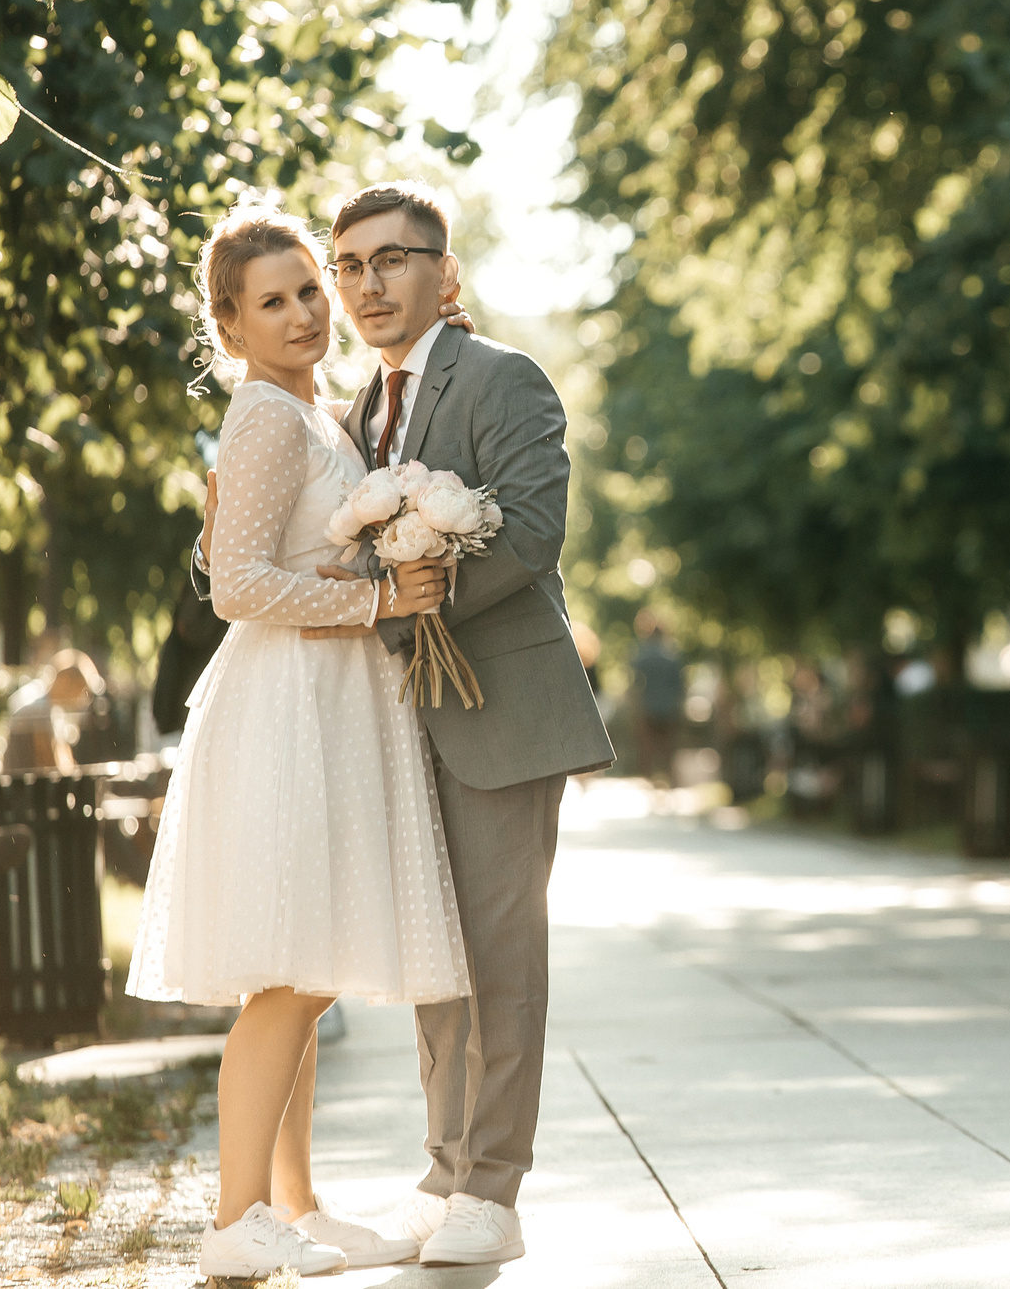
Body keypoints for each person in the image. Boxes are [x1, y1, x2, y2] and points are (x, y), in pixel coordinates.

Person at [126, 199, 468, 1281]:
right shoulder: (267, 416)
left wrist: (371, 568)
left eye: (310, 289)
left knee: (305, 961)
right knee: (289, 970)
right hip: (285, 706)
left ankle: (296, 1203)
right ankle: (236, 1219)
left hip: (327, 699)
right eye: (271, 303)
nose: (304, 314)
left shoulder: (317, 413)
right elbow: (235, 588)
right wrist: (375, 602)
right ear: (229, 327)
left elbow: (287, 557)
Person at [308, 181, 613, 1269]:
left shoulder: (502, 378)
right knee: (434, 958)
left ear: (446, 273)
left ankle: (496, 1185)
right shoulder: (353, 410)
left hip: (505, 712)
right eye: (350, 266)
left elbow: (533, 530)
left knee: (500, 953)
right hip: (400, 720)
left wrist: (416, 589)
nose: (367, 284)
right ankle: (443, 1173)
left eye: (392, 260)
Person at [629, 611, 685, 787]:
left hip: (647, 708)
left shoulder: (642, 655)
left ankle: (649, 784)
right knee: (669, 749)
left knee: (647, 749)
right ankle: (670, 783)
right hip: (668, 708)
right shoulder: (672, 657)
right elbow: (679, 686)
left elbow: (636, 684)